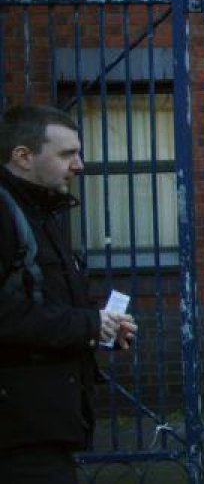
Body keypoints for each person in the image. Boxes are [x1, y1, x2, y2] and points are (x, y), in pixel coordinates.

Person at [0, 105, 137, 483]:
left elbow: (46, 300)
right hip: (18, 431)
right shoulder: (8, 214)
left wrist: (102, 327)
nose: (79, 165)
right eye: (67, 154)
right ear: (23, 156)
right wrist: (88, 325)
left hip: (44, 422)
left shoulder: (41, 212)